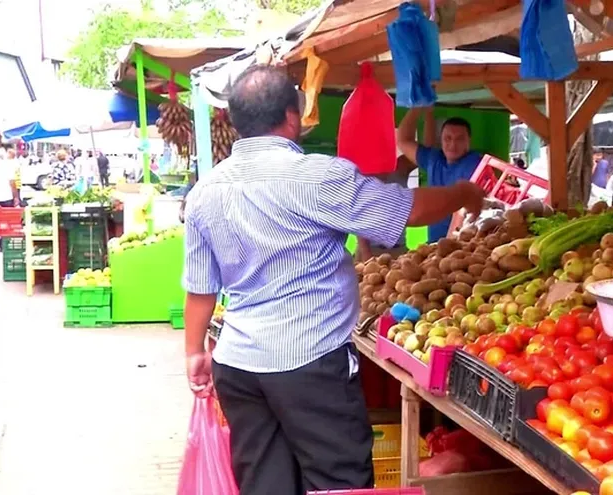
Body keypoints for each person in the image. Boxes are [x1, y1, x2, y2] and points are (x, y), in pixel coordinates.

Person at [182, 65, 485, 495]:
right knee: (339, 484)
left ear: (236, 122)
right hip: (309, 360)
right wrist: (463, 193)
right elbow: (408, 210)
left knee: (264, 484)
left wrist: (194, 352)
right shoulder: (318, 176)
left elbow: (200, 289)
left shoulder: (205, 191)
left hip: (238, 365)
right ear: (292, 117)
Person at [396, 108, 483, 243]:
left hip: (458, 244)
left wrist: (449, 245)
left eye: (460, 139)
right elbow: (403, 140)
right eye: (448, 138)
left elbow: (461, 211)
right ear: (441, 140)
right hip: (434, 244)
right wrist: (417, 107)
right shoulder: (434, 159)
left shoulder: (474, 163)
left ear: (468, 141)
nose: (453, 145)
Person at [355, 150, 415, 262]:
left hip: (398, 248)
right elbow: (358, 213)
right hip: (371, 249)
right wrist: (366, 252)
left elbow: (426, 154)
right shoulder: (363, 169)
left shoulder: (401, 165)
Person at [0, 147, 20, 250]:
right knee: (6, 221)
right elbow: (12, 183)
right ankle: (3, 242)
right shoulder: (8, 166)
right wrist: (16, 197)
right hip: (7, 197)